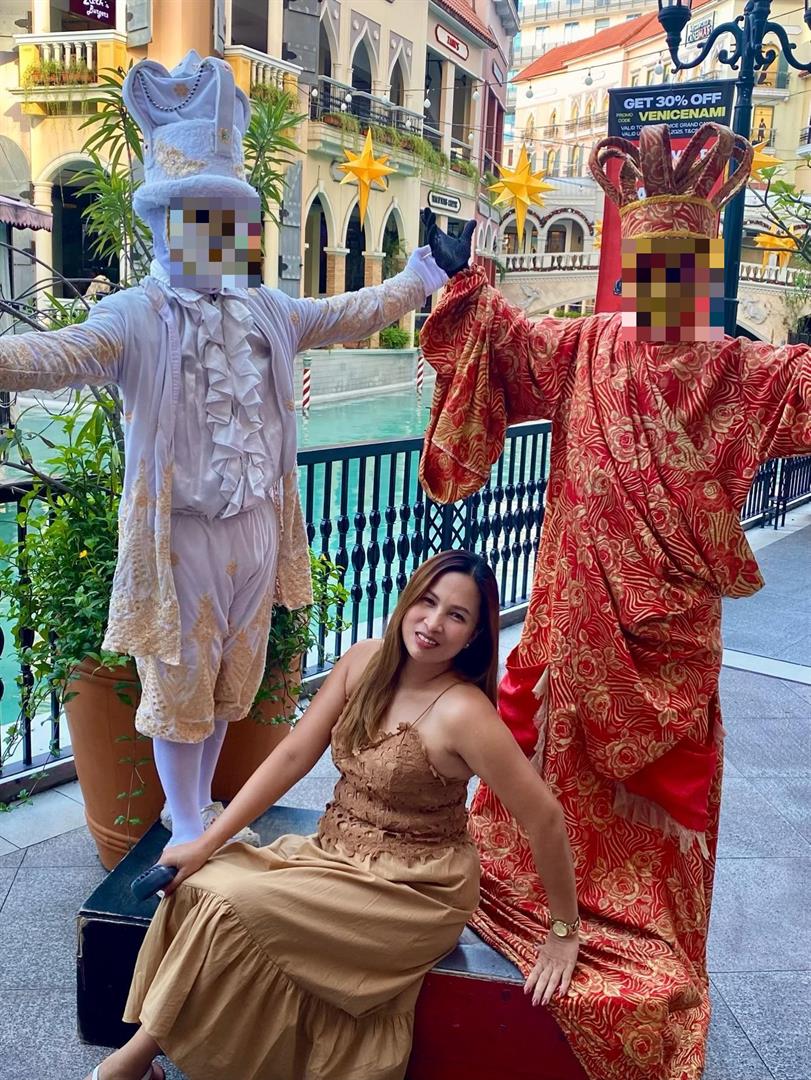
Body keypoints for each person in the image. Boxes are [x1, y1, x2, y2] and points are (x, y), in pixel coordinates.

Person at [419, 124, 811, 1079]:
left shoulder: (741, 372)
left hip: (668, 649)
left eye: (681, 264)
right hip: (571, 623)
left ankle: (652, 936)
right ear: (630, 267)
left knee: (658, 800)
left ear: (702, 269)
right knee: (543, 776)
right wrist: (463, 281)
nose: (663, 280)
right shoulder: (585, 349)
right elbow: (502, 345)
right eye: (648, 263)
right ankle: (532, 893)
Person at [0, 51, 447, 851]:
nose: (214, 234)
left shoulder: (267, 309)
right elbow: (52, 356)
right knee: (179, 682)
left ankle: (196, 807)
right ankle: (185, 816)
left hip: (255, 529)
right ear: (165, 224)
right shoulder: (136, 316)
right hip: (180, 536)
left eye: (224, 220)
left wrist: (417, 278)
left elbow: (351, 311)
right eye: (196, 217)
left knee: (230, 681)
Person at [86, 550, 580, 1080]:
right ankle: (154, 1062)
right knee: (196, 886)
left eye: (456, 616)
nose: (434, 623)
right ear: (408, 599)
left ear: (474, 636)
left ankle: (128, 1065)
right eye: (428, 601)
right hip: (333, 852)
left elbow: (545, 818)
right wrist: (206, 843)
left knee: (234, 908)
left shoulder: (464, 712)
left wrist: (563, 931)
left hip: (414, 888)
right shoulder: (363, 662)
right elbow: (293, 755)